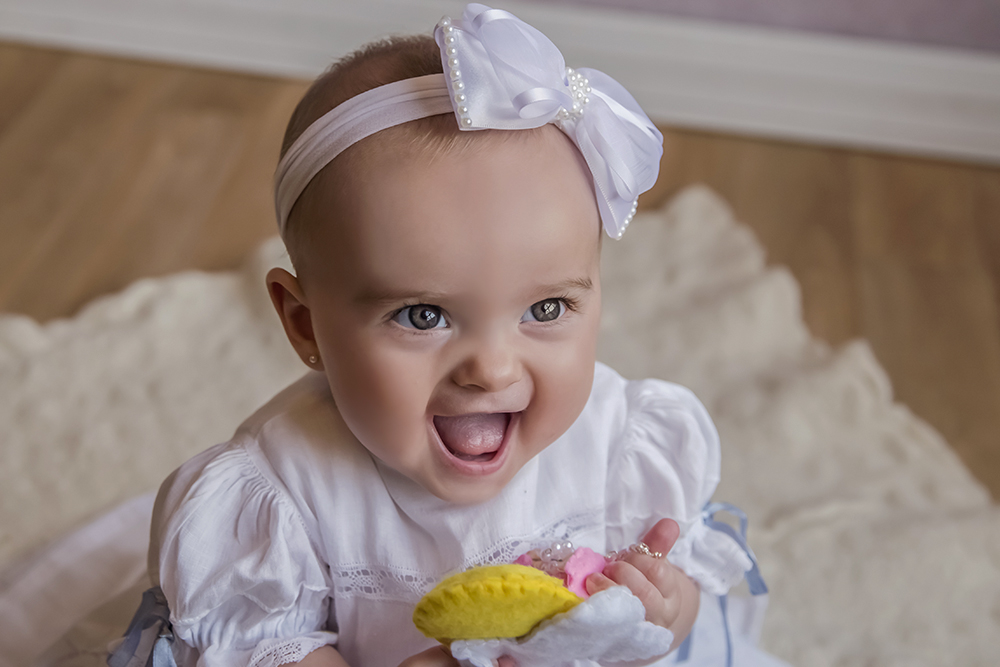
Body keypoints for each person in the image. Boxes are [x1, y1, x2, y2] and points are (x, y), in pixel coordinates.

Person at [112, 4, 783, 667]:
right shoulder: (285, 490)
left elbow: (683, 590)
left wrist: (662, 606)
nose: (492, 368)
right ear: (303, 322)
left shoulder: (619, 446)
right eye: (423, 315)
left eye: (546, 308)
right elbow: (265, 647)